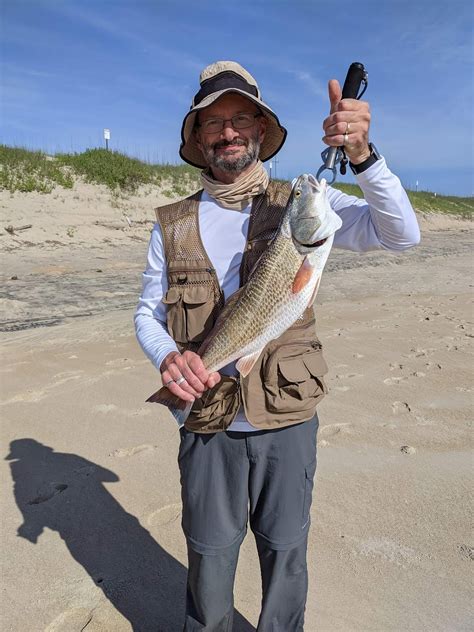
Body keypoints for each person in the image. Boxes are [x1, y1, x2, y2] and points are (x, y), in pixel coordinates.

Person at [135, 61, 420, 630]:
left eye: (242, 117)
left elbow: (401, 234)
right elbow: (147, 312)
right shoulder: (171, 223)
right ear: (196, 138)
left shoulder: (307, 205)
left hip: (287, 416)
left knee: (286, 548)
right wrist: (167, 357)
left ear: (263, 130)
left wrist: (363, 157)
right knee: (211, 554)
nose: (229, 131)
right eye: (213, 122)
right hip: (204, 417)